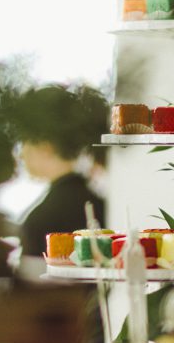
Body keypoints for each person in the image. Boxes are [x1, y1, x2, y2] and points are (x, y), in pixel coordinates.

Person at [13, 84, 108, 258]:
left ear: (45, 146)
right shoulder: (101, 206)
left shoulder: (41, 221)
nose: (21, 154)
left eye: (24, 141)